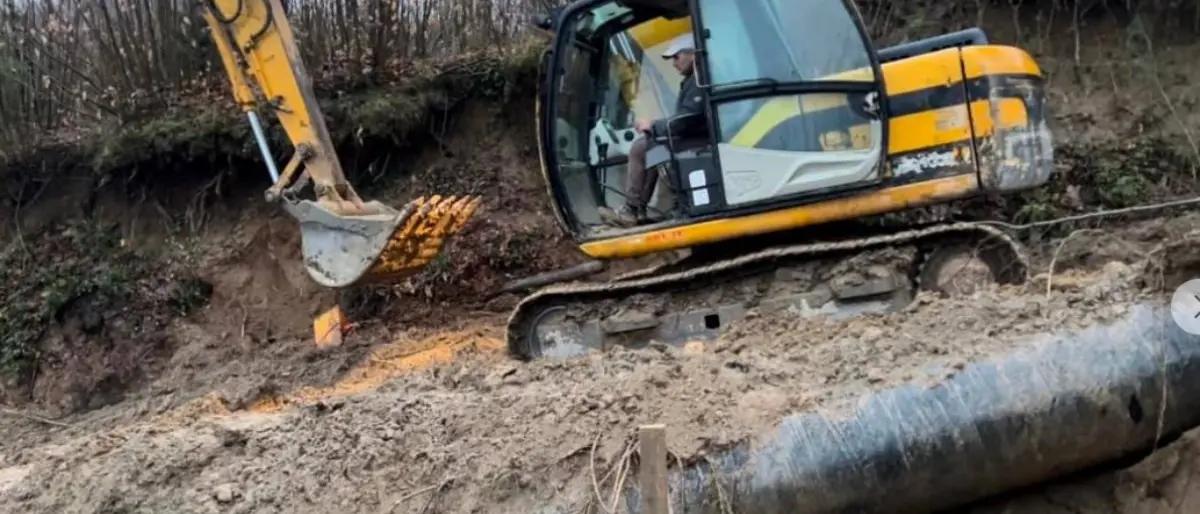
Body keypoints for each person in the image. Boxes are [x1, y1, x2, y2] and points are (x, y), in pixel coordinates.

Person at [597, 33, 707, 228]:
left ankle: (631, 209)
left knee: (640, 148)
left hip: (699, 139)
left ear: (693, 54)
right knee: (653, 148)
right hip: (695, 136)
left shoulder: (699, 80)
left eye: (676, 56)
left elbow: (688, 118)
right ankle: (638, 209)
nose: (674, 63)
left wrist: (653, 125)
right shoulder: (694, 78)